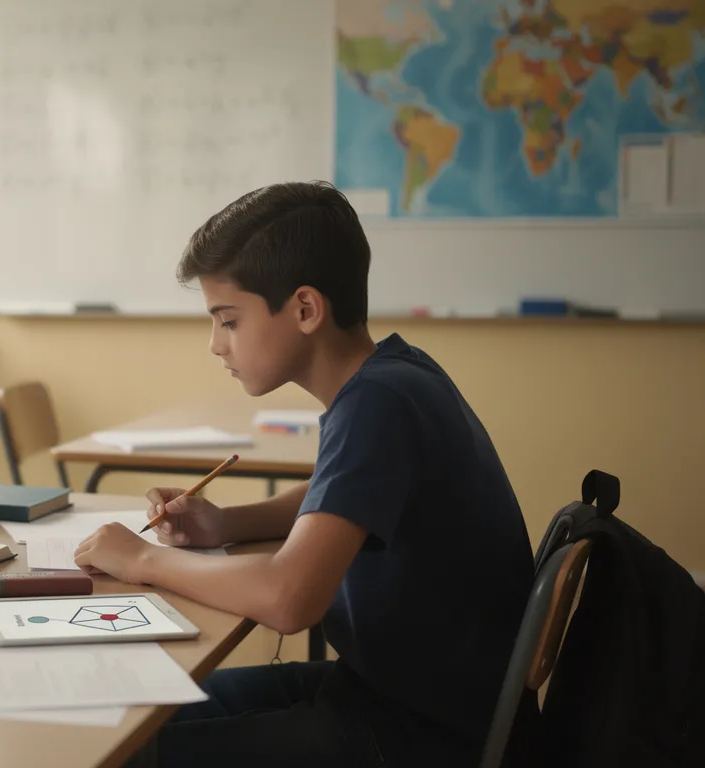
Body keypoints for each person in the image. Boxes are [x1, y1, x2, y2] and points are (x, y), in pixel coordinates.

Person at [74, 181, 536, 766]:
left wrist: (141, 559)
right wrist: (224, 525)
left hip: (422, 734)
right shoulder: (396, 374)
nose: (216, 344)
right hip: (405, 696)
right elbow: (339, 497)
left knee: (128, 752)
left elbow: (289, 599)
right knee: (138, 712)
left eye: (229, 320)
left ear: (306, 309)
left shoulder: (376, 405)